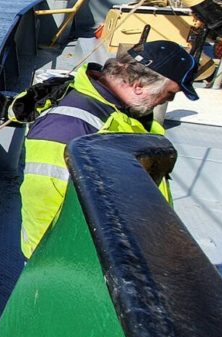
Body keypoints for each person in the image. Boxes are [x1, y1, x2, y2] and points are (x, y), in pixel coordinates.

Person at [19, 39, 199, 259]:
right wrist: (61, 265)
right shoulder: (66, 127)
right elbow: (45, 207)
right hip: (70, 260)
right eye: (170, 93)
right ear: (138, 85)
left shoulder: (125, 112)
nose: (168, 100)